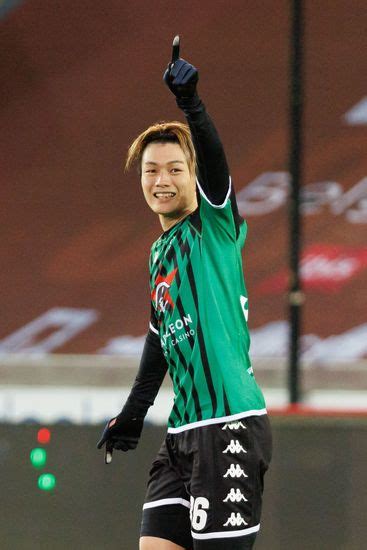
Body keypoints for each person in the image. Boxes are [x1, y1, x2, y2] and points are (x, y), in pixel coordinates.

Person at [97, 36, 272, 550]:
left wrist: (191, 105)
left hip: (230, 428)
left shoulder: (213, 227)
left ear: (194, 176)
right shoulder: (159, 254)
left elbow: (217, 165)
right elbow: (160, 338)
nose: (162, 179)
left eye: (175, 168)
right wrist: (134, 410)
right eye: (151, 171)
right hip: (182, 436)